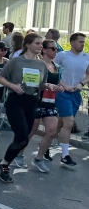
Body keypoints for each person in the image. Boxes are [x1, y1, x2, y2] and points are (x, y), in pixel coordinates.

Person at [0, 33, 52, 183]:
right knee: (22, 138)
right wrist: (13, 86)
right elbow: (0, 77)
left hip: (32, 102)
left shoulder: (41, 65)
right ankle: (4, 165)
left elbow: (41, 84)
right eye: (37, 43)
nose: (40, 46)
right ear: (27, 44)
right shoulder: (16, 61)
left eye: (41, 44)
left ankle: (4, 163)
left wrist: (49, 86)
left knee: (23, 139)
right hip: (16, 100)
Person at [53, 32, 89, 167]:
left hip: (76, 94)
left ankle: (47, 142)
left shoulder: (87, 57)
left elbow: (88, 75)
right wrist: (64, 85)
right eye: (80, 42)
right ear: (72, 42)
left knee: (61, 123)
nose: (82, 44)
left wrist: (81, 84)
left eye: (84, 42)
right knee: (69, 123)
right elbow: (53, 72)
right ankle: (65, 155)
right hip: (62, 93)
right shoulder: (62, 55)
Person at [28, 38, 63, 172]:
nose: (55, 51)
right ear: (44, 50)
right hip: (36, 101)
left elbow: (60, 82)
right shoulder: (37, 64)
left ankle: (38, 158)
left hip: (50, 103)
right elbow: (31, 83)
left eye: (57, 49)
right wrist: (46, 85)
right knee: (31, 130)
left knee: (52, 131)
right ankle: (17, 155)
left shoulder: (56, 67)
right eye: (52, 49)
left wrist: (62, 87)